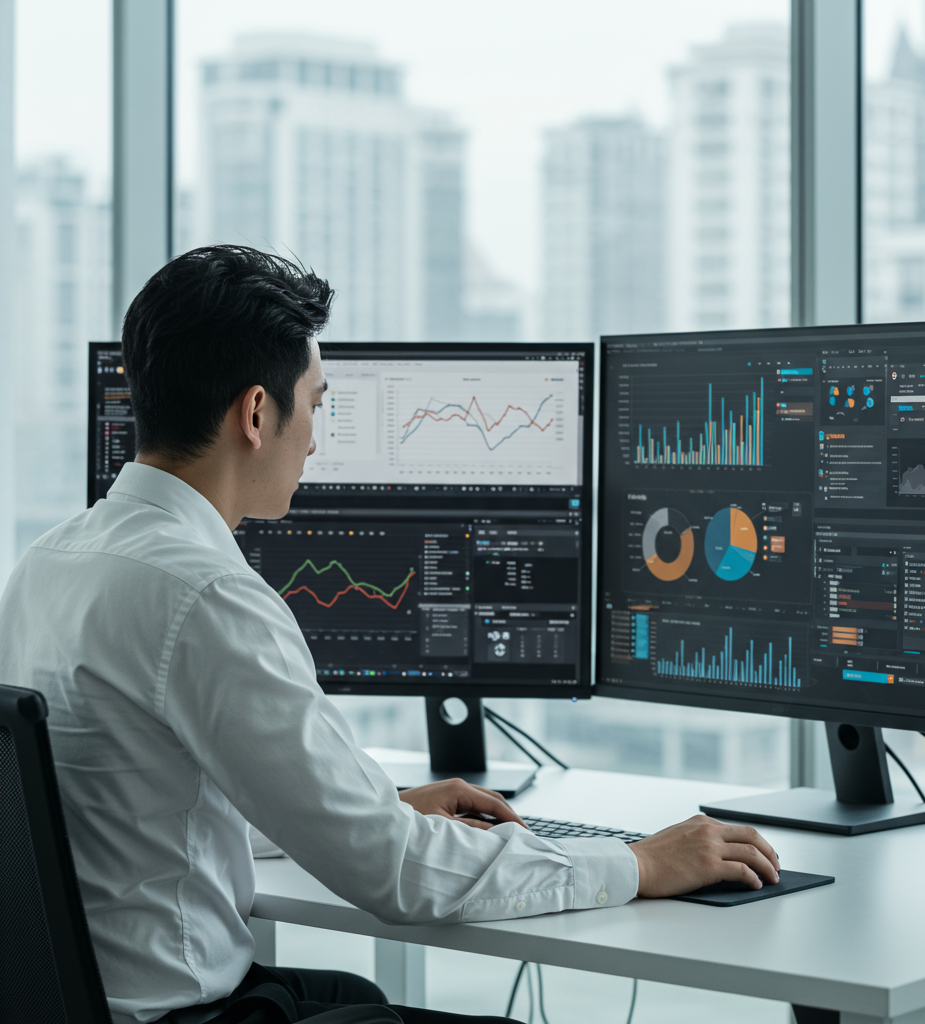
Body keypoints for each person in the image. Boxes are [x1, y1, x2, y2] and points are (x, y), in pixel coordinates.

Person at [0, 246, 780, 1024]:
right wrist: (637, 862)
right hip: (183, 1019)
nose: (317, 438)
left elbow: (136, 800)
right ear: (257, 413)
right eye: (317, 402)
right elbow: (399, 875)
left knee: (361, 1001)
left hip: (87, 1006)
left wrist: (376, 803)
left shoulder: (48, 561)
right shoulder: (208, 597)